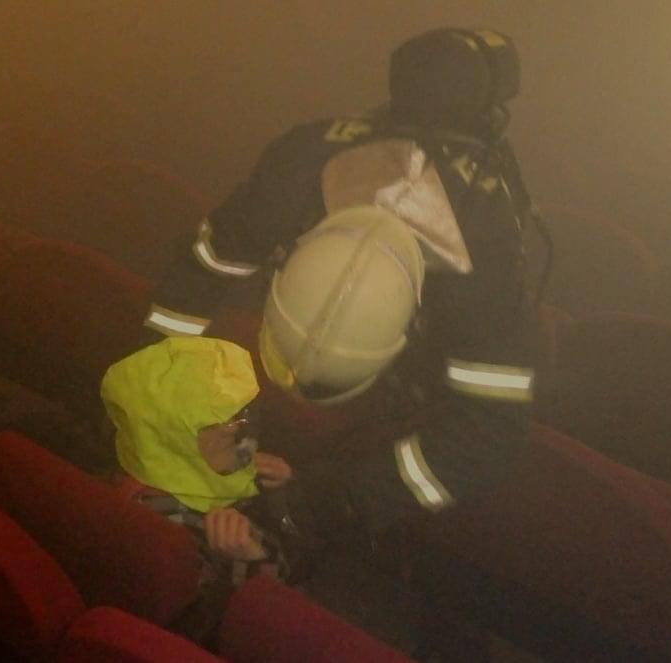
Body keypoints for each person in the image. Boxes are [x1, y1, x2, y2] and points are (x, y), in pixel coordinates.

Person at [139, 28, 540, 558]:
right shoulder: (295, 170)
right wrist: (176, 416)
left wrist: (311, 507)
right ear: (286, 262)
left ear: (412, 322)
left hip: (378, 426)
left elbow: (487, 435)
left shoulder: (483, 247)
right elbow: (190, 287)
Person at [100, 335, 294, 584]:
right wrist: (254, 562)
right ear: (169, 438)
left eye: (238, 412)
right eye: (213, 421)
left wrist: (282, 493)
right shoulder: (173, 536)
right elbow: (273, 604)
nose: (234, 428)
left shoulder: (163, 467)